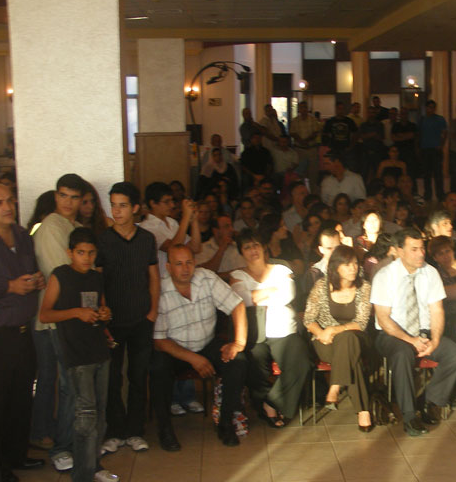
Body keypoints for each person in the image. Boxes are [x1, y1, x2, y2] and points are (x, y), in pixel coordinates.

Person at [0, 182, 45, 482]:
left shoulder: (22, 235)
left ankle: (17, 455)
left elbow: (31, 269)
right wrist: (10, 286)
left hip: (23, 331)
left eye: (10, 200)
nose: (7, 207)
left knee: (21, 397)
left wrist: (37, 280)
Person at [39, 227, 119, 482]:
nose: (86, 258)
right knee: (85, 416)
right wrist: (76, 313)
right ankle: (80, 481)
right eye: (81, 252)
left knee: (100, 414)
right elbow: (45, 314)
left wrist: (105, 314)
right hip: (76, 354)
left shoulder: (96, 277)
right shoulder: (60, 275)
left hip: (99, 351)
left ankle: (93, 466)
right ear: (70, 253)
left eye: (91, 253)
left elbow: (102, 309)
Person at [150, 244, 250, 449]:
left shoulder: (206, 278)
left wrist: (238, 343)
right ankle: (165, 430)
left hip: (206, 343)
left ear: (195, 263)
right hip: (175, 350)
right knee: (158, 368)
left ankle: (225, 423)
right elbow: (159, 341)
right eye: (179, 264)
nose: (185, 268)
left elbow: (237, 305)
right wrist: (194, 359)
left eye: (189, 262)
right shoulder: (161, 290)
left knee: (238, 362)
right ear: (168, 267)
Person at [371, 228, 456, 437]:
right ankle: (409, 415)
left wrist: (435, 339)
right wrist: (410, 340)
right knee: (402, 353)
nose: (421, 253)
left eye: (422, 248)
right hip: (393, 334)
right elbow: (383, 318)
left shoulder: (430, 273)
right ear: (399, 251)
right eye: (414, 249)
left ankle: (428, 401)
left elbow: (437, 310)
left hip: (423, 333)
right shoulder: (385, 276)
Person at [95, 182, 160, 455]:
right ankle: (115, 431)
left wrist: (152, 312)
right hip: (112, 321)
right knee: (112, 378)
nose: (117, 211)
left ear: (135, 208)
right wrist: (102, 313)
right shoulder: (103, 240)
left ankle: (135, 430)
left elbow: (153, 277)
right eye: (113, 205)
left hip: (141, 319)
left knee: (138, 376)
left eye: (122, 205)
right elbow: (97, 280)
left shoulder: (146, 239)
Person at [230, 231, 311, 427]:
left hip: (284, 329)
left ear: (264, 247)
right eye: (247, 247)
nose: (253, 250)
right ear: (241, 252)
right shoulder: (237, 275)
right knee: (254, 363)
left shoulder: (281, 269)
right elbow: (241, 299)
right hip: (254, 332)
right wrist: (271, 290)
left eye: (256, 245)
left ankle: (272, 402)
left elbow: (287, 295)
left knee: (301, 362)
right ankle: (263, 405)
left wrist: (255, 296)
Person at [32, 174, 85, 472]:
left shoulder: (73, 227)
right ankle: (51, 438)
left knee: (56, 380)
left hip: (67, 317)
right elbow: (64, 276)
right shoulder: (52, 226)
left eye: (74, 197)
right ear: (56, 196)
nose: (68, 202)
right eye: (63, 195)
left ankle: (49, 434)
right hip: (54, 317)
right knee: (59, 381)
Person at [304, 245, 374, 431]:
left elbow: (361, 323)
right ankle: (363, 411)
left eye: (355, 264)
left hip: (357, 337)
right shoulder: (321, 286)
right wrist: (321, 333)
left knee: (348, 339)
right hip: (325, 341)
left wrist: (335, 329)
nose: (353, 268)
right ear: (335, 267)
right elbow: (309, 319)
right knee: (352, 360)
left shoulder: (364, 287)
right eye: (347, 265)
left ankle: (335, 385)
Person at [140, 181, 202, 278]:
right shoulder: (147, 227)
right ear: (153, 203)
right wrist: (186, 217)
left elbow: (195, 248)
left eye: (172, 201)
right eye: (167, 202)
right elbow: (173, 249)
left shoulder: (172, 222)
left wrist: (194, 220)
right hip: (162, 279)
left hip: (179, 278)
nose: (172, 205)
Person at [288, 101, 322, 191]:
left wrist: (306, 141)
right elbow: (292, 133)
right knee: (300, 174)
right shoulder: (295, 121)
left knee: (313, 174)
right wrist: (301, 141)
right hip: (300, 150)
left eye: (305, 107)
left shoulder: (313, 119)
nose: (303, 109)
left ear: (307, 109)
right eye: (301, 107)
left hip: (311, 149)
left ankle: (314, 194)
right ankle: (301, 193)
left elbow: (315, 132)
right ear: (299, 109)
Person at [418, 99, 448, 200]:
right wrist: (419, 148)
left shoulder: (440, 119)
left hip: (436, 149)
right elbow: (419, 134)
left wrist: (441, 145)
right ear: (426, 108)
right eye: (429, 107)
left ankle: (440, 194)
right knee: (426, 174)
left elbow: (444, 133)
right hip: (425, 149)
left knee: (438, 173)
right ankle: (428, 194)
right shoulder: (422, 120)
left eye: (433, 107)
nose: (431, 109)